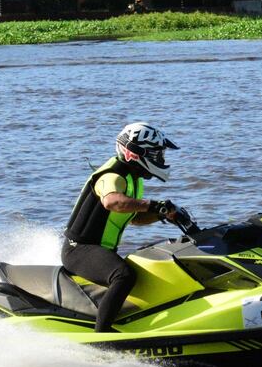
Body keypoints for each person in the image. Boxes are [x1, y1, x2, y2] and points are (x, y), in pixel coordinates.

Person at [63, 123, 179, 332]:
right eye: (156, 154)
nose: (160, 160)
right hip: (79, 249)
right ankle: (102, 336)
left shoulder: (133, 180)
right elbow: (112, 202)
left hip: (99, 250)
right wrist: (153, 205)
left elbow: (134, 218)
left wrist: (163, 215)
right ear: (135, 153)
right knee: (124, 275)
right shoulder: (112, 175)